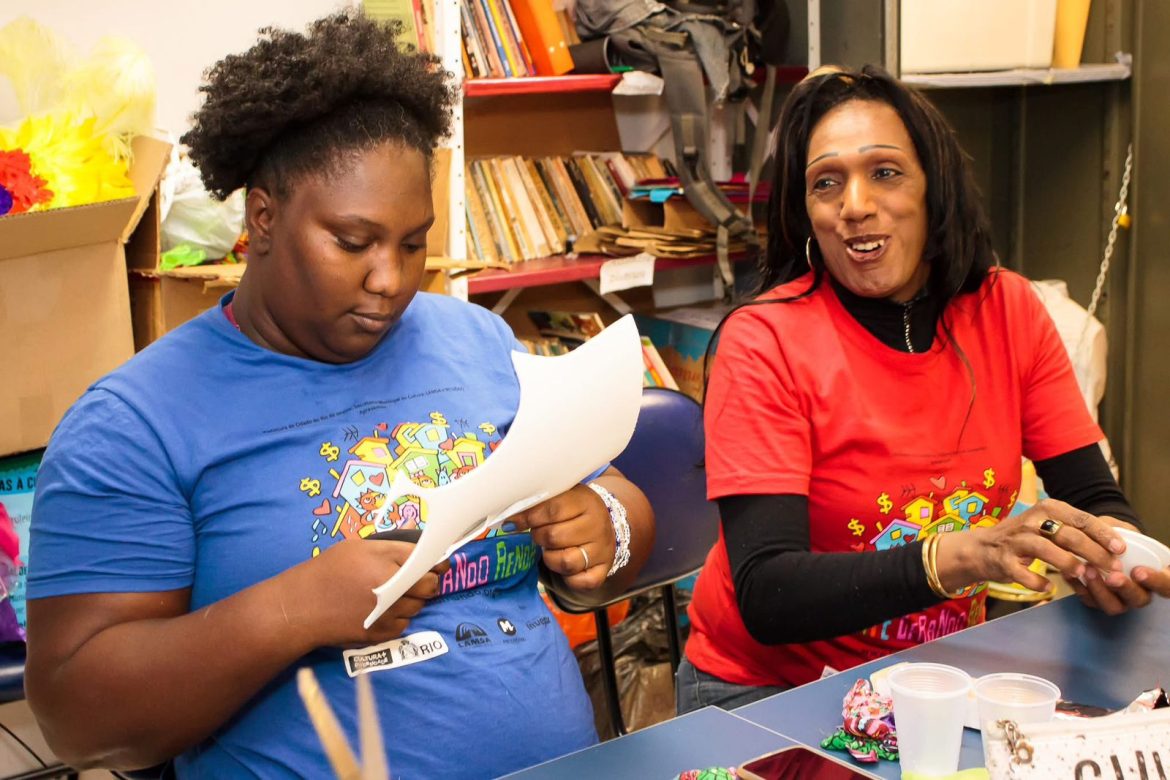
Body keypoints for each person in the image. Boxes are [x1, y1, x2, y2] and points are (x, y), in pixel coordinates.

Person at [25, 12, 653, 778]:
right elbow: (76, 717)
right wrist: (289, 612)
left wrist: (607, 524)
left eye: (414, 242)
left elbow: (613, 494)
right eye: (352, 243)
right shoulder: (134, 424)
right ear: (261, 219)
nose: (391, 280)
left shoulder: (476, 340)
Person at [677, 65, 1170, 713]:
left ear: (934, 187)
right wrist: (965, 555)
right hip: (771, 694)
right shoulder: (763, 342)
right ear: (807, 213)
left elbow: (1092, 495)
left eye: (885, 172)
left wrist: (1108, 557)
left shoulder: (1009, 311)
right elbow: (769, 592)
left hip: (936, 679)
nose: (855, 204)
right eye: (827, 183)